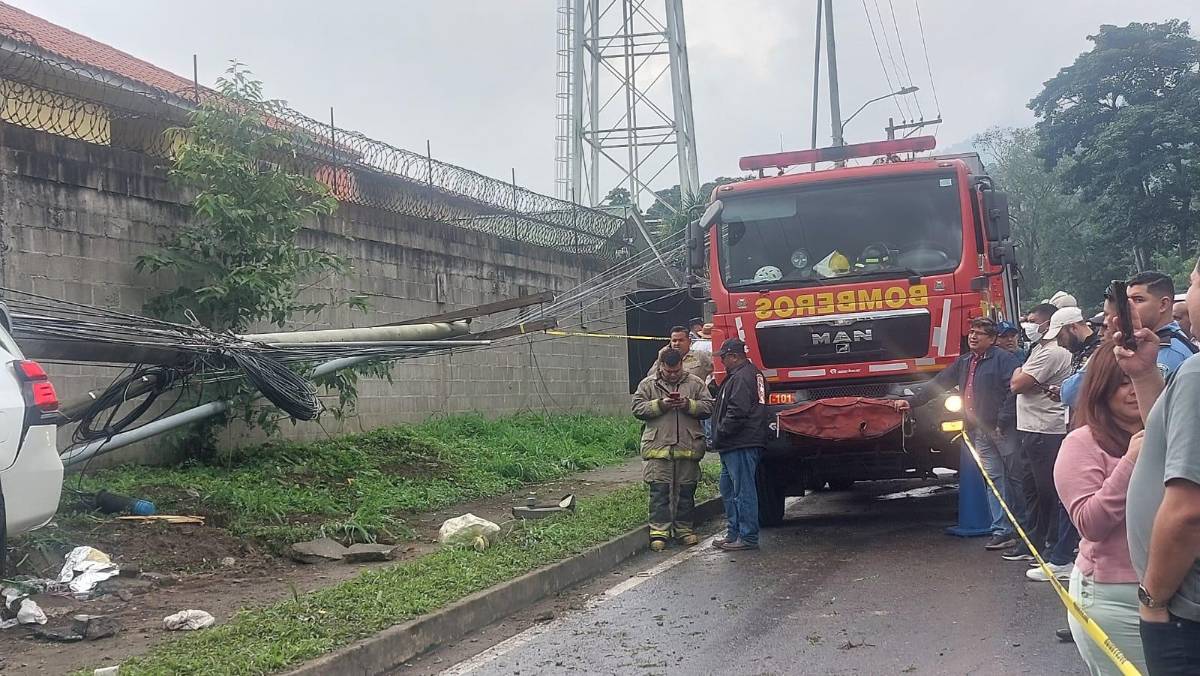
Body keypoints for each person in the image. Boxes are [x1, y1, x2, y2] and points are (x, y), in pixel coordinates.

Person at [1113, 259, 1200, 675]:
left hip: (1185, 614)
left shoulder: (1197, 372)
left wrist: (1154, 598)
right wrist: (1145, 376)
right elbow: (1170, 444)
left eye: (1193, 283)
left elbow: (1189, 512)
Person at [1053, 344, 1148, 674]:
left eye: (1140, 379)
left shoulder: (1170, 435)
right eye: (1123, 382)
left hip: (1173, 591)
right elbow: (1090, 523)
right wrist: (1131, 462)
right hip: (1112, 597)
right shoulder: (1081, 443)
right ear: (1102, 387)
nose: (1134, 390)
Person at [908, 318, 1020, 550]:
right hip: (978, 430)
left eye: (980, 333)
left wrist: (1003, 421)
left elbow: (1014, 392)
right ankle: (1003, 531)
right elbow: (938, 383)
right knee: (994, 480)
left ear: (992, 339)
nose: (973, 336)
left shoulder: (1004, 360)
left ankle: (1026, 530)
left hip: (1002, 430)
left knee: (1017, 478)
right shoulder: (965, 362)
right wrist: (910, 402)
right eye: (971, 332)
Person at [1006, 303, 1077, 580]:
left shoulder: (1052, 353)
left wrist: (1022, 376)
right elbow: (1020, 377)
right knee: (1032, 490)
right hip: (1032, 427)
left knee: (1047, 490)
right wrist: (1022, 375)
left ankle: (1052, 547)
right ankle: (1036, 543)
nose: (1027, 325)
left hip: (1046, 430)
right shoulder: (1038, 350)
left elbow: (1017, 384)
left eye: (1033, 321)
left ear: (1048, 324)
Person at [632, 348, 713, 551]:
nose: (673, 374)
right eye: (669, 371)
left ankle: (684, 531)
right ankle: (659, 532)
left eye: (676, 371)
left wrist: (688, 404)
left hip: (688, 446)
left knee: (686, 492)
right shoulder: (648, 384)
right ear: (661, 366)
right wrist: (660, 405)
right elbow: (637, 409)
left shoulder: (695, 383)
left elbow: (708, 407)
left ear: (681, 366)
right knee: (659, 492)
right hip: (658, 448)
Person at [712, 338, 768, 552]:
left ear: (734, 356)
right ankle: (734, 532)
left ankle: (748, 536)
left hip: (741, 442)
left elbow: (737, 412)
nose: (722, 362)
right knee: (728, 489)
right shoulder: (746, 375)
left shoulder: (744, 377)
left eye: (724, 358)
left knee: (743, 491)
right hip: (734, 443)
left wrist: (720, 433)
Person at [1124, 271, 1197, 374]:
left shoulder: (1169, 352)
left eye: (1138, 300)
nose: (1129, 307)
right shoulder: (1158, 341)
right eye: (1127, 301)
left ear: (1163, 304)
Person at [1053, 307, 1101, 409]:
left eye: (1060, 337)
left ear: (1073, 327)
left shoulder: (1098, 351)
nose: (1059, 343)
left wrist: (1064, 392)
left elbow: (1072, 392)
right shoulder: (1079, 349)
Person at [648, 325, 713, 382]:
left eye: (681, 340)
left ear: (689, 341)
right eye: (674, 341)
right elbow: (650, 377)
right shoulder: (664, 357)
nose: (677, 344)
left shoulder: (701, 356)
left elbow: (719, 368)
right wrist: (660, 358)